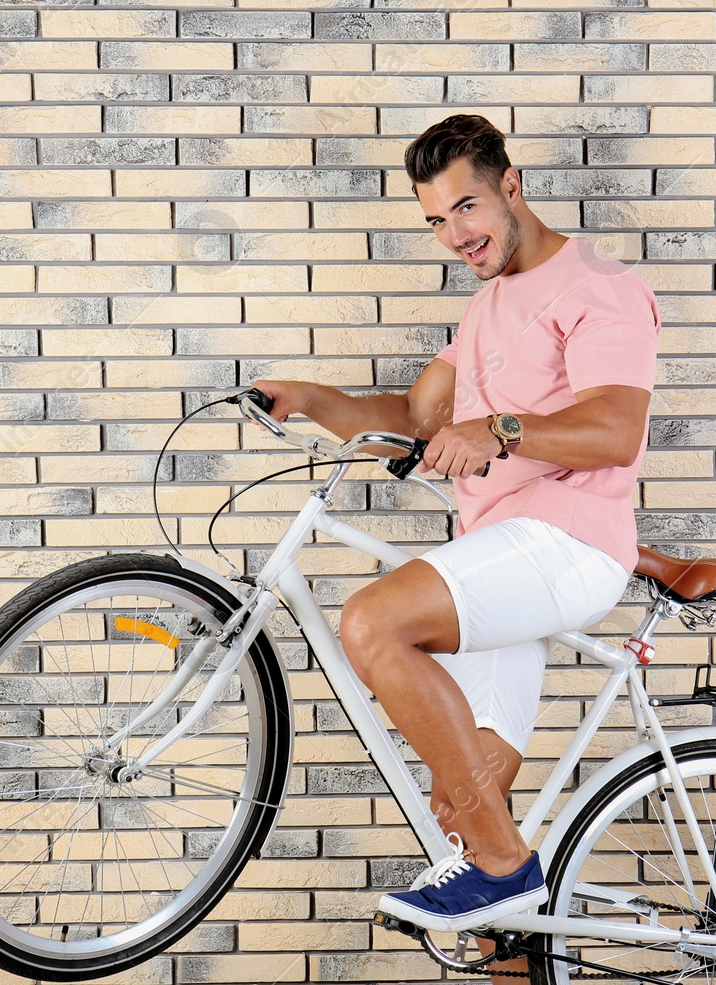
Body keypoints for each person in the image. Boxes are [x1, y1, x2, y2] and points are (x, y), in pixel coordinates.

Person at [251, 114, 660, 938]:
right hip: (499, 553)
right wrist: (309, 398)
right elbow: (415, 414)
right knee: (467, 815)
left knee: (372, 621)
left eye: (467, 208)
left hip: (567, 542)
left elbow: (616, 429)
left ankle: (508, 865)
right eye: (436, 219)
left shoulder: (596, 288)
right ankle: (503, 877)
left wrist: (501, 429)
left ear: (511, 186)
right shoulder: (487, 308)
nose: (454, 234)